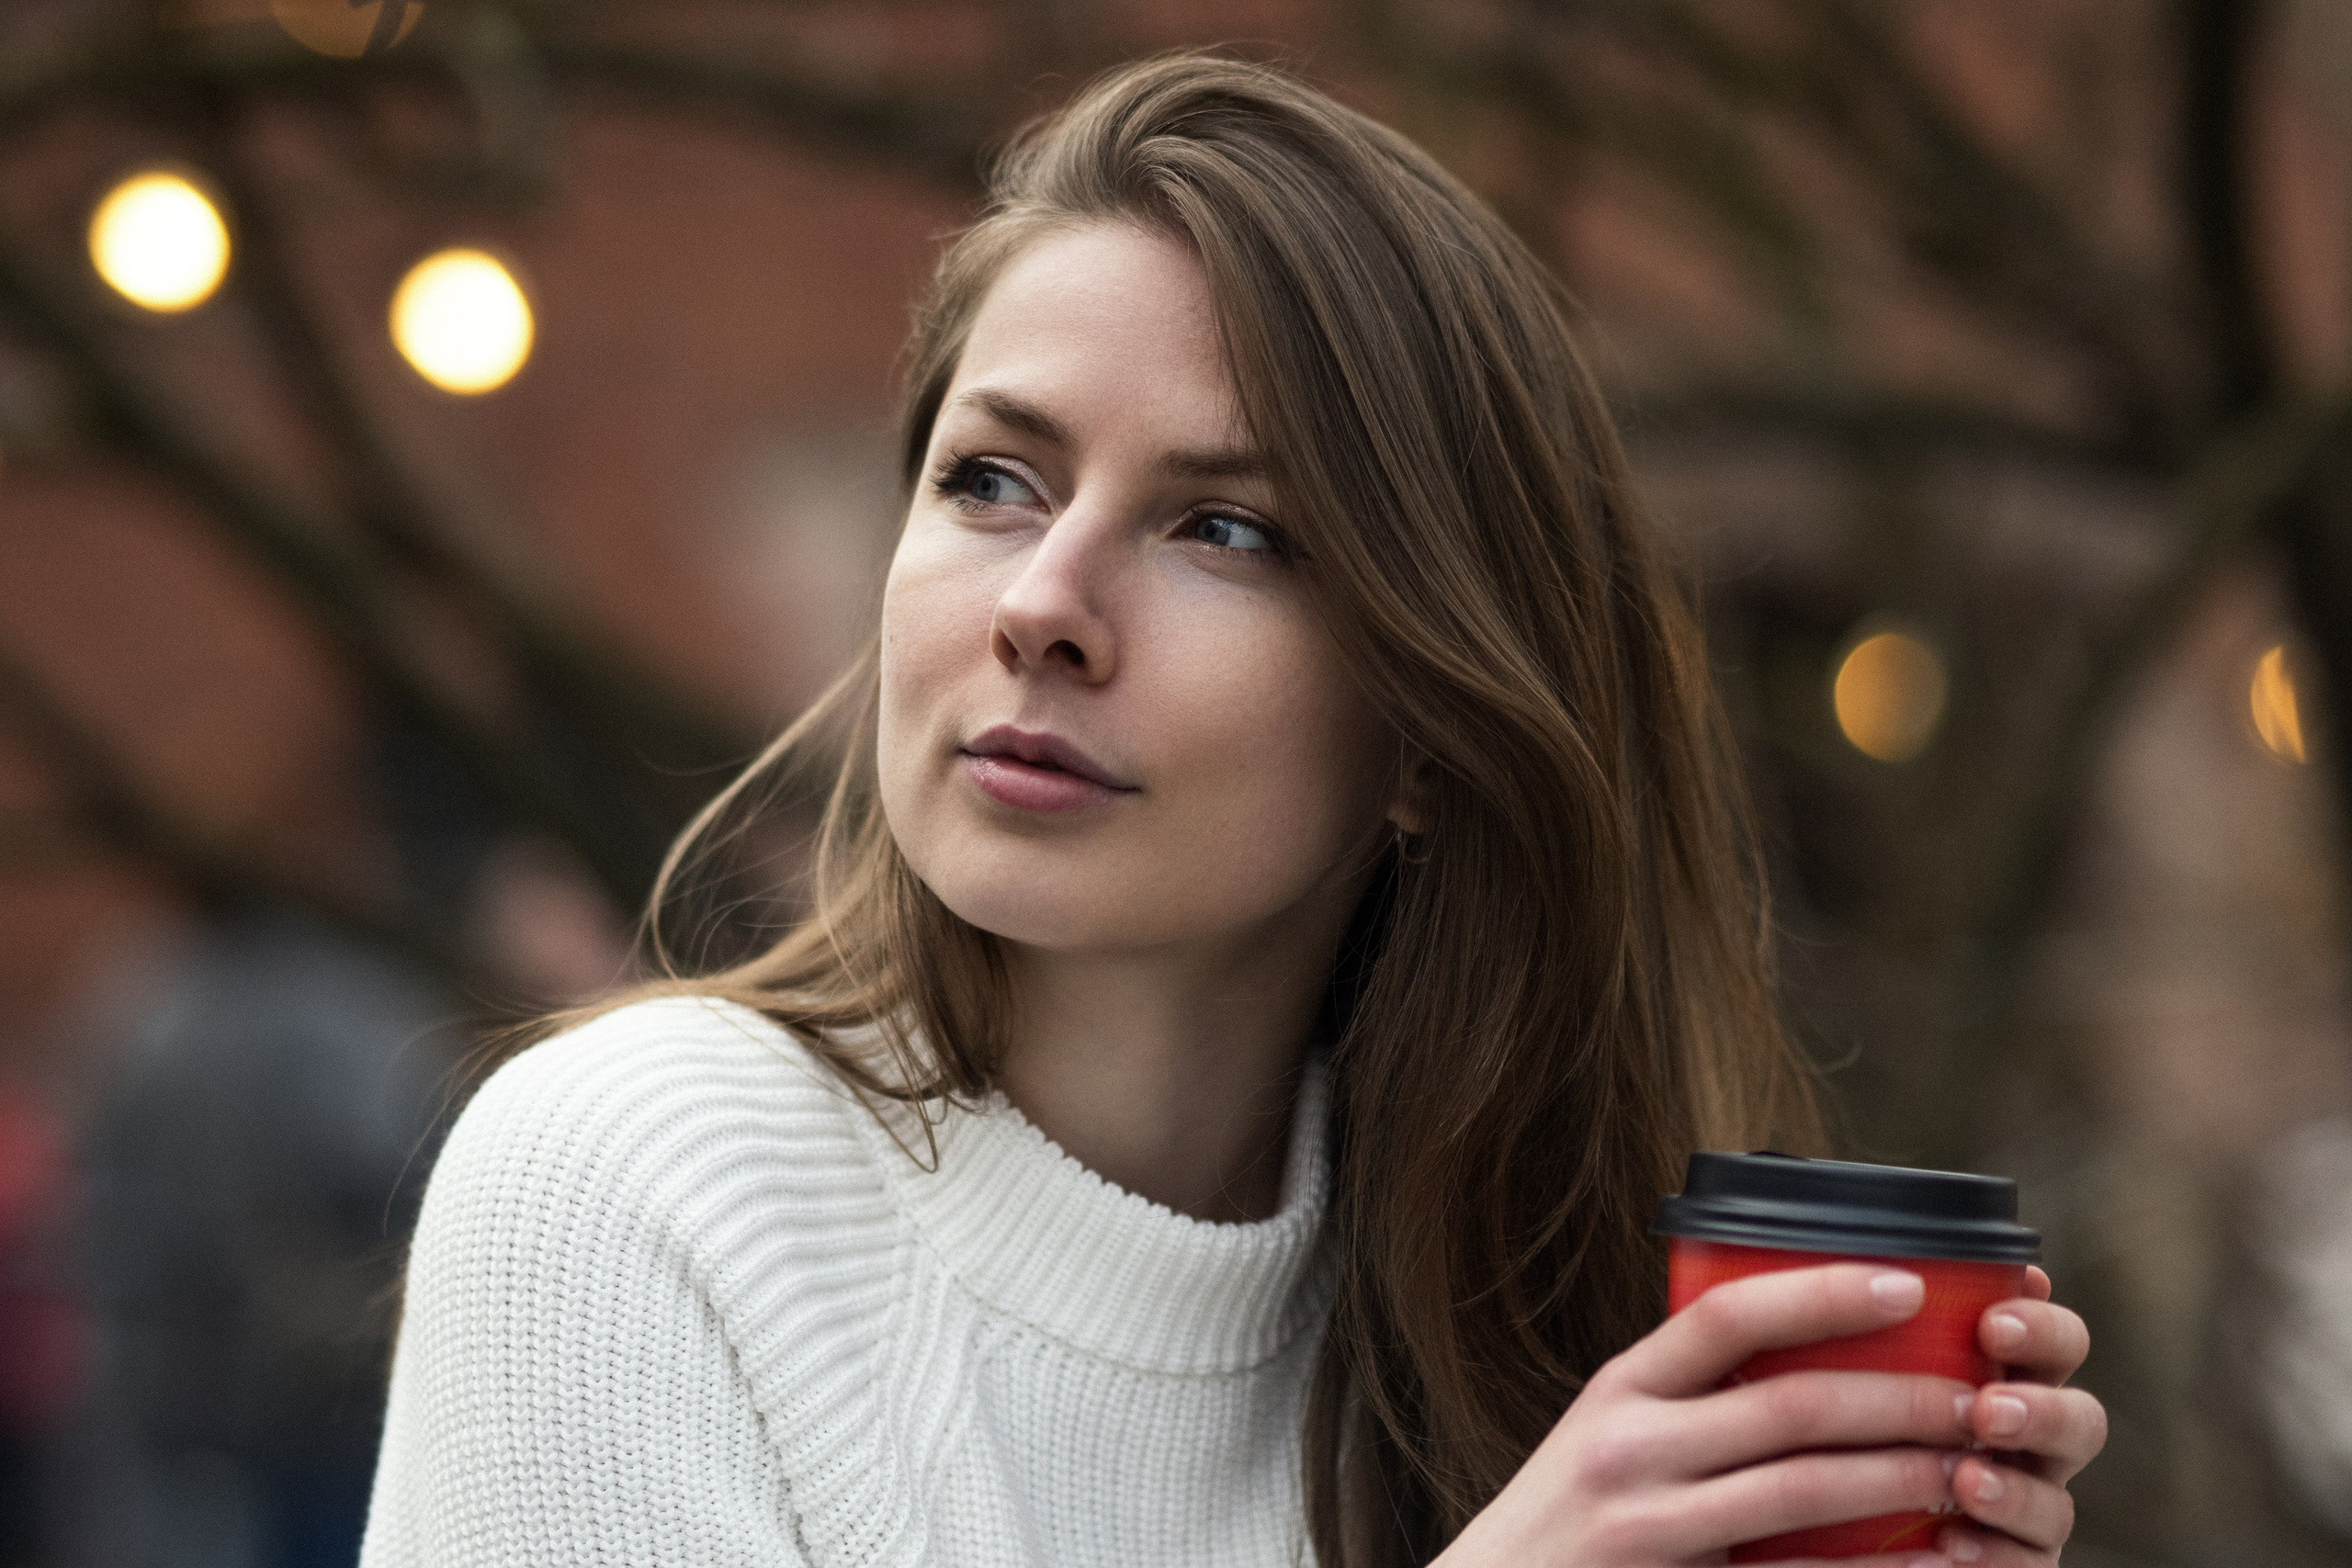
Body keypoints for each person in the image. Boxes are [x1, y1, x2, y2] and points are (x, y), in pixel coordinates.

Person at [357, 50, 2106, 1568]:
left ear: (1430, 726)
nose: (1044, 597)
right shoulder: (634, 1188)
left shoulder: (1526, 1361)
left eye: (1227, 529)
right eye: (991, 480)